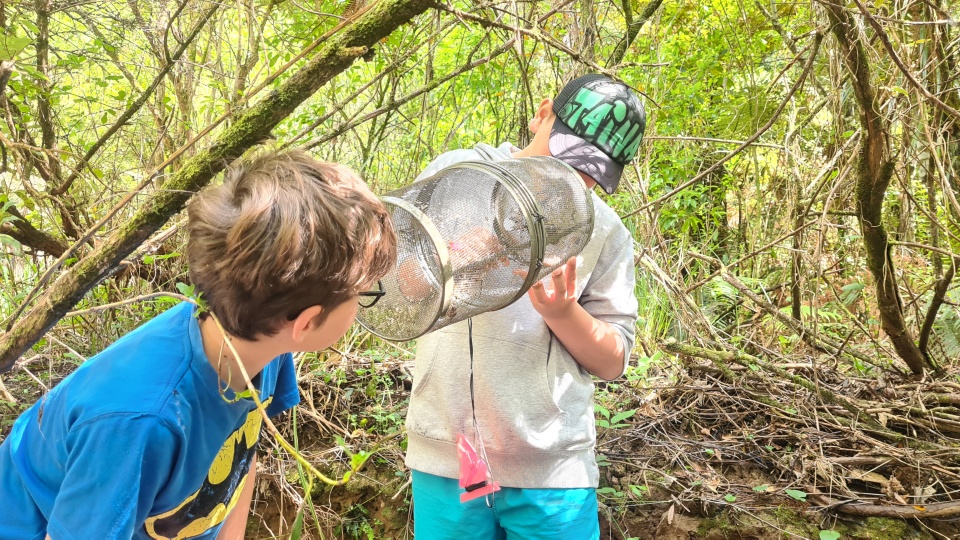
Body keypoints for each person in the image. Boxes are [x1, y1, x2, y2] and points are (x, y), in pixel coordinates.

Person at [0, 150, 397, 539]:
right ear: (307, 322)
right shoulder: (139, 422)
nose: (362, 303)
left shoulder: (261, 344)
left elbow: (242, 452)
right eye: (364, 294)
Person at [404, 73, 644, 539]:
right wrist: (452, 259)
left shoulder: (606, 231)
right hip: (451, 458)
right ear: (542, 114)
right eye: (567, 158)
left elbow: (615, 359)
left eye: (591, 176)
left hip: (550, 471)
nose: (571, 180)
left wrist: (562, 314)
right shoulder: (458, 174)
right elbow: (395, 283)